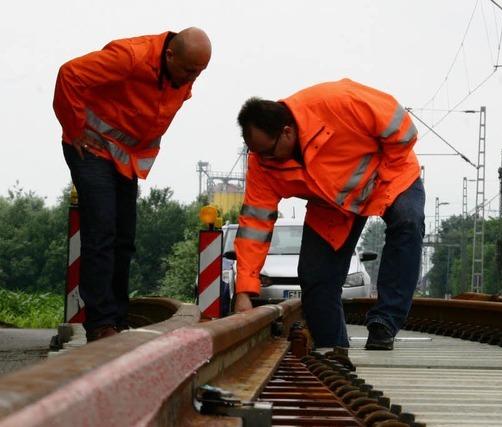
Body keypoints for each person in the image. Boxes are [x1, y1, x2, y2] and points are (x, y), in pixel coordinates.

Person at [234, 78, 425, 350]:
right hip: (333, 206)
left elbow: (400, 124)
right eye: (256, 152)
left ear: (287, 132)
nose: (264, 159)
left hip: (388, 176)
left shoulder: (336, 101)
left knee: (408, 220)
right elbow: (255, 225)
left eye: (268, 151)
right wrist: (245, 290)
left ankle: (385, 321)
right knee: (315, 277)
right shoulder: (262, 164)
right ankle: (334, 352)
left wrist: (384, 171)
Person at [53, 28, 211, 342]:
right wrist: (75, 128)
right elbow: (69, 74)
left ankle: (117, 317)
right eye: (189, 70)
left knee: (124, 237)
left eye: (200, 72)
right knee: (102, 230)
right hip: (90, 148)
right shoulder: (130, 57)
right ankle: (100, 324)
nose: (193, 78)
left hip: (123, 159)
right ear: (170, 55)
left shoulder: (180, 75)